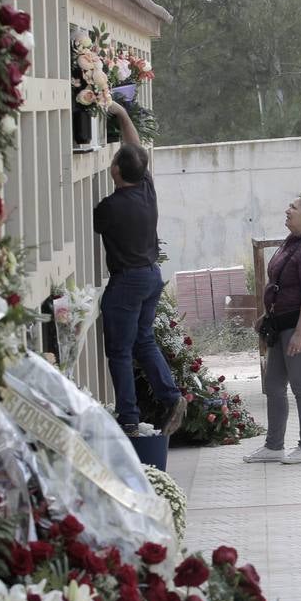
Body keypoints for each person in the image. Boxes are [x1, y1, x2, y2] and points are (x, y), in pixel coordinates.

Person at [92, 100, 187, 437]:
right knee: (143, 340)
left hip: (128, 282)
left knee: (119, 349)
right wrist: (122, 114)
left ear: (115, 171)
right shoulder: (147, 191)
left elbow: (131, 152)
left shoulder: (109, 208)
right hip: (150, 276)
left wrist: (118, 115)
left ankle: (129, 419)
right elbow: (134, 148)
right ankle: (171, 397)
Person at [243, 194, 301, 465]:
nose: (287, 210)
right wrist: (266, 315)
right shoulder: (293, 242)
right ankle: (274, 446)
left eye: (293, 207)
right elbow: (281, 284)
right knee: (273, 385)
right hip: (281, 323)